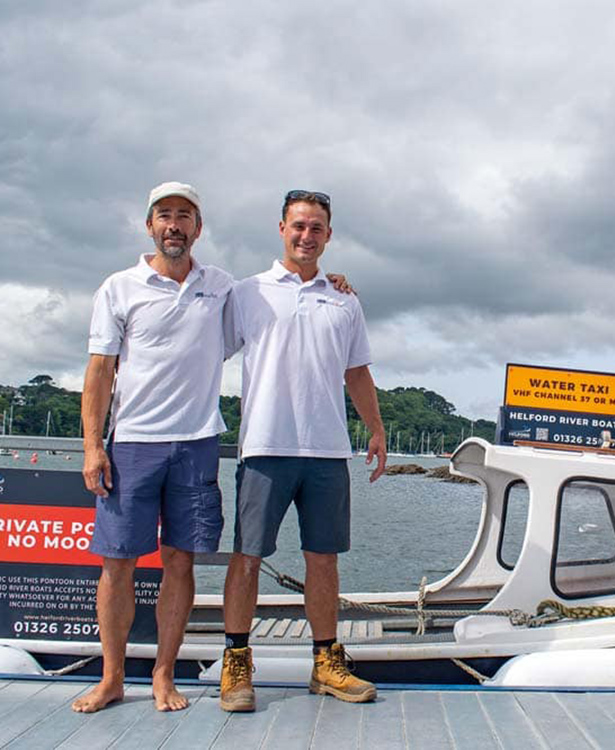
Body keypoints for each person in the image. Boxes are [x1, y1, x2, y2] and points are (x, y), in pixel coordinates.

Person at [218, 190, 387, 713]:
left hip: (327, 451)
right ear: (281, 228)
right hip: (265, 446)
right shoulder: (248, 293)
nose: (306, 235)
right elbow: (205, 351)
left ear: (328, 236)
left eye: (316, 228)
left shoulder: (345, 299)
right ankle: (237, 662)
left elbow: (356, 372)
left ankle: (325, 664)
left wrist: (376, 430)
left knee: (324, 560)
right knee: (247, 557)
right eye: (298, 226)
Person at [77, 182, 230, 713]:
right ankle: (112, 677)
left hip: (196, 444)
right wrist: (93, 447)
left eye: (184, 216)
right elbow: (99, 373)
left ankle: (164, 674)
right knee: (117, 563)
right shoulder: (119, 287)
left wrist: (335, 281)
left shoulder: (222, 287)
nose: (174, 224)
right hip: (132, 445)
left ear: (198, 228)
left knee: (179, 562)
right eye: (164, 215)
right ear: (149, 226)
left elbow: (279, 296)